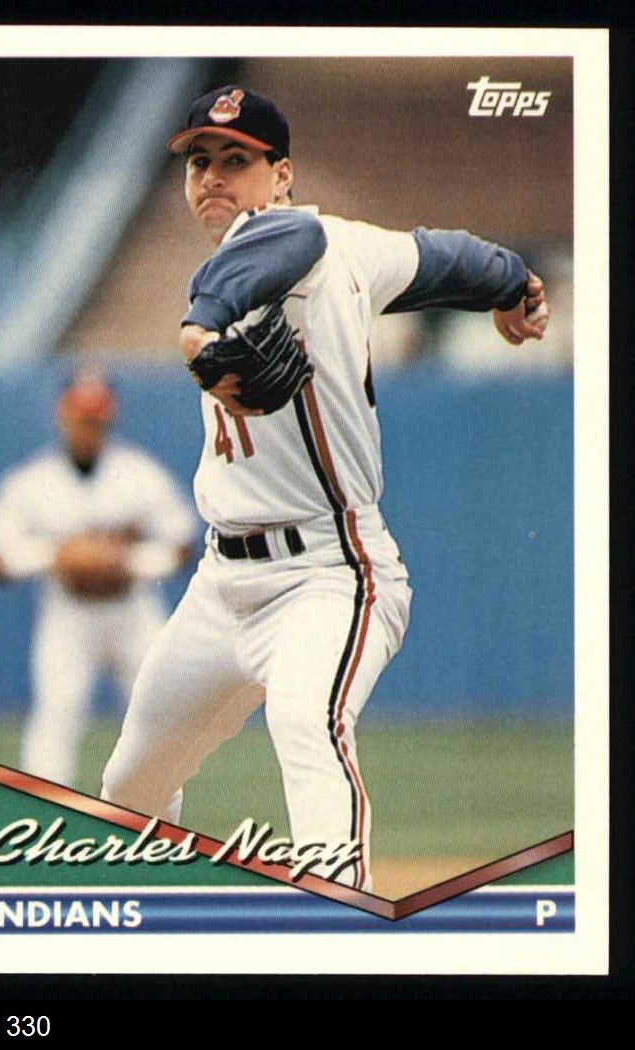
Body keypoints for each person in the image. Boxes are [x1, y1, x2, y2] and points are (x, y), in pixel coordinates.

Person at [101, 86, 550, 890]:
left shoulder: (300, 236)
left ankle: (339, 928)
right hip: (221, 586)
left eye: (236, 160)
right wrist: (510, 282)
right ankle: (153, 913)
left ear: (283, 175)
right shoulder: (338, 250)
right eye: (199, 162)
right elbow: (443, 257)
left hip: (329, 574)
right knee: (129, 785)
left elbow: (296, 242)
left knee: (307, 723)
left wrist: (200, 331)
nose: (211, 176)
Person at [0, 372, 198, 788]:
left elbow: (182, 544)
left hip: (131, 610)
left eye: (96, 418)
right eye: (81, 416)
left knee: (157, 713)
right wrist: (58, 556)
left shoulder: (137, 473)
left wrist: (126, 560)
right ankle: (44, 810)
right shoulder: (33, 481)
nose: (88, 426)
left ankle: (156, 810)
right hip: (69, 613)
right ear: (63, 416)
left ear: (109, 418)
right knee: (57, 714)